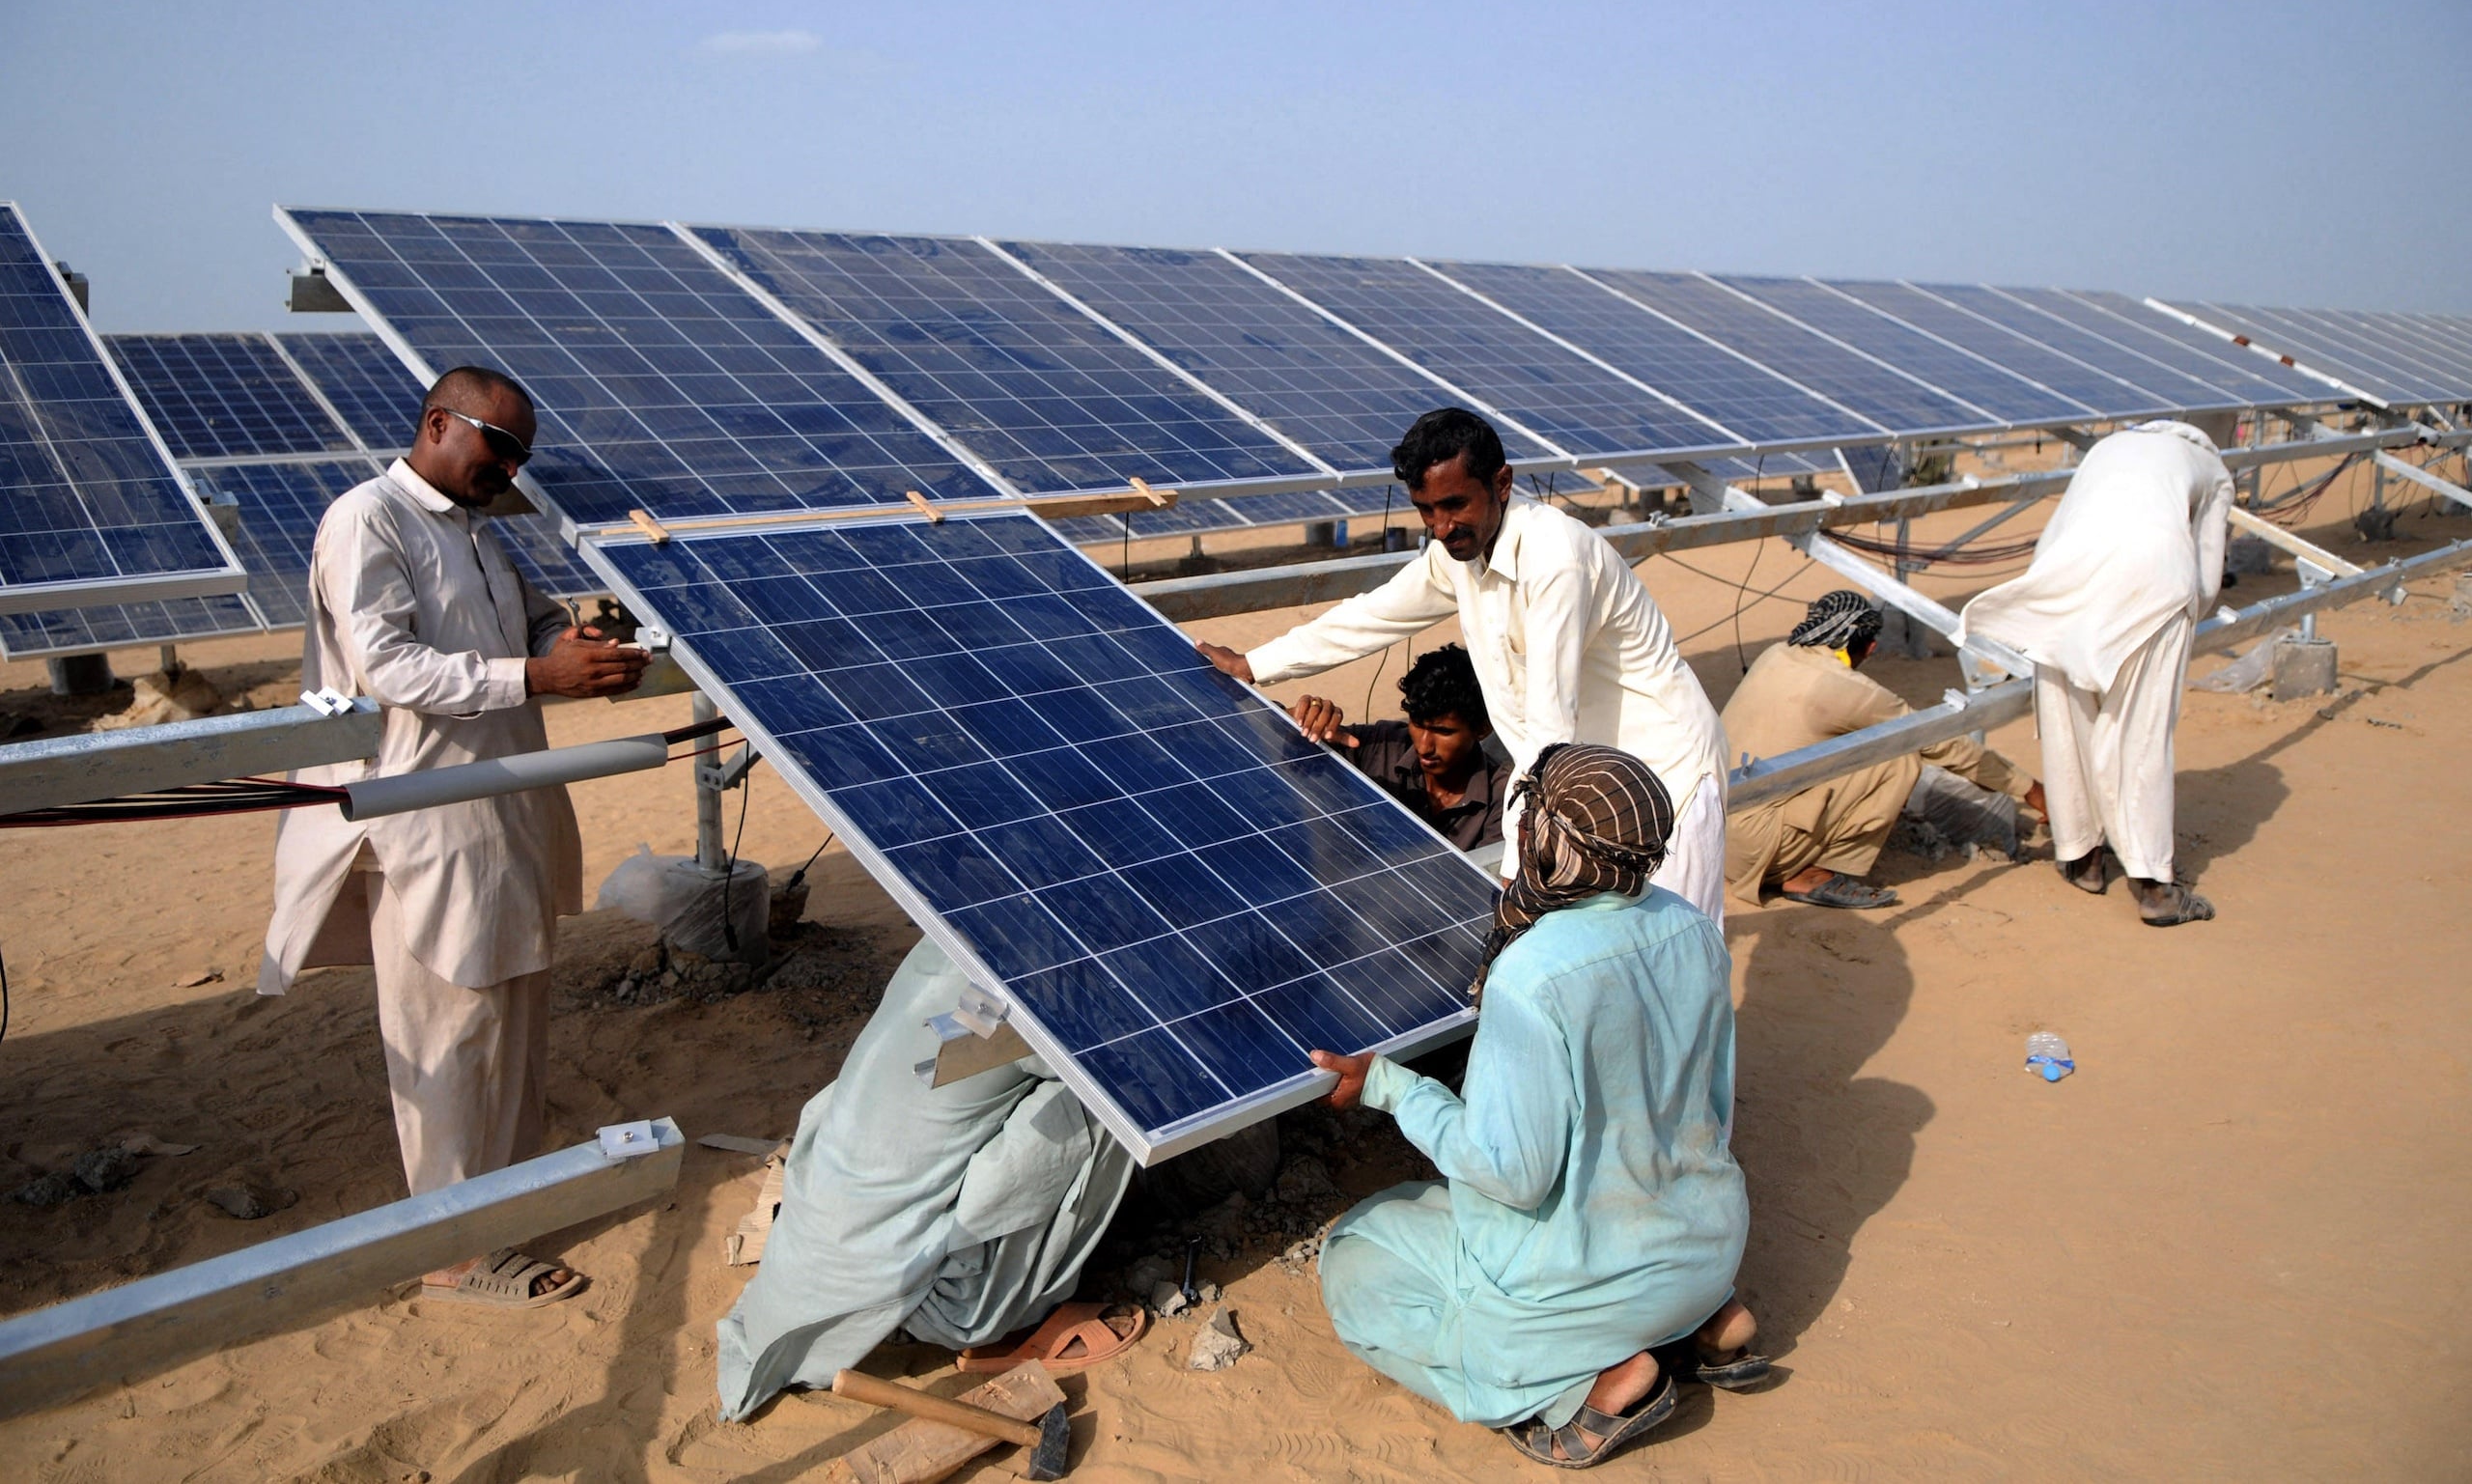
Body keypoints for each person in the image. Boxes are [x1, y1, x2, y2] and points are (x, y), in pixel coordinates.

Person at [261, 366, 647, 1306]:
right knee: (448, 1023)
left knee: (513, 1018)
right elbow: (387, 664)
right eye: (498, 446)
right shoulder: (369, 520)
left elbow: (531, 618)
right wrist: (539, 680)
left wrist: (569, 642)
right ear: (438, 423)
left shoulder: (476, 533)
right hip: (424, 816)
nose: (510, 468)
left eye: (521, 455)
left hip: (503, 806)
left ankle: (501, 1211)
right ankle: (450, 1247)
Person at [1307, 744, 1759, 1469]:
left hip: (1592, 1285)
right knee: (1432, 1214)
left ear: (1549, 840)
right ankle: (1704, 1318)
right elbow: (1711, 1100)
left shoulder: (1534, 973)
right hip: (1709, 1246)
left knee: (1355, 1252)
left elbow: (1510, 1172)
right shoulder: (1693, 928)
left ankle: (1587, 1385)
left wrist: (1394, 1088)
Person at [1199, 409, 1729, 918]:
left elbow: (1550, 730)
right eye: (1426, 510)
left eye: (1455, 504)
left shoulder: (1555, 560)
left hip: (1664, 773)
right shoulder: (1460, 555)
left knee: (1668, 948)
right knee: (1609, 959)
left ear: (1502, 483)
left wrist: (1517, 867)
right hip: (1585, 792)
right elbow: (1374, 615)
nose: (1441, 526)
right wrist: (1254, 664)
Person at [716, 938, 1139, 1419]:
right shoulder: (1044, 989)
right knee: (1113, 1084)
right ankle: (1021, 1321)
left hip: (807, 1258)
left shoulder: (938, 942)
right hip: (929, 1302)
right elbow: (1016, 1167)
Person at [1954, 420, 2233, 925]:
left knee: (2066, 718)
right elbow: (2207, 574)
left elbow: (2058, 528)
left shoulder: (2105, 449)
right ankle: (2154, 886)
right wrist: (2184, 618)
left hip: (2062, 574)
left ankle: (2082, 857)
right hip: (2153, 579)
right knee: (2139, 732)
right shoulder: (2212, 469)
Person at [1723, 591, 2046, 910]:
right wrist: (2029, 788)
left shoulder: (1775, 654)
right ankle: (1811, 874)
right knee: (1898, 755)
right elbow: (1937, 739)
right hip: (1753, 849)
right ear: (1870, 645)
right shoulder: (1847, 687)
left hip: (1711, 834)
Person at [1282, 643, 1509, 851]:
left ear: (1482, 729)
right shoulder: (1383, 744)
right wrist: (1295, 721)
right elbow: (1282, 749)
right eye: (1417, 725)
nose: (1424, 746)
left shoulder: (1504, 798)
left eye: (1443, 732)